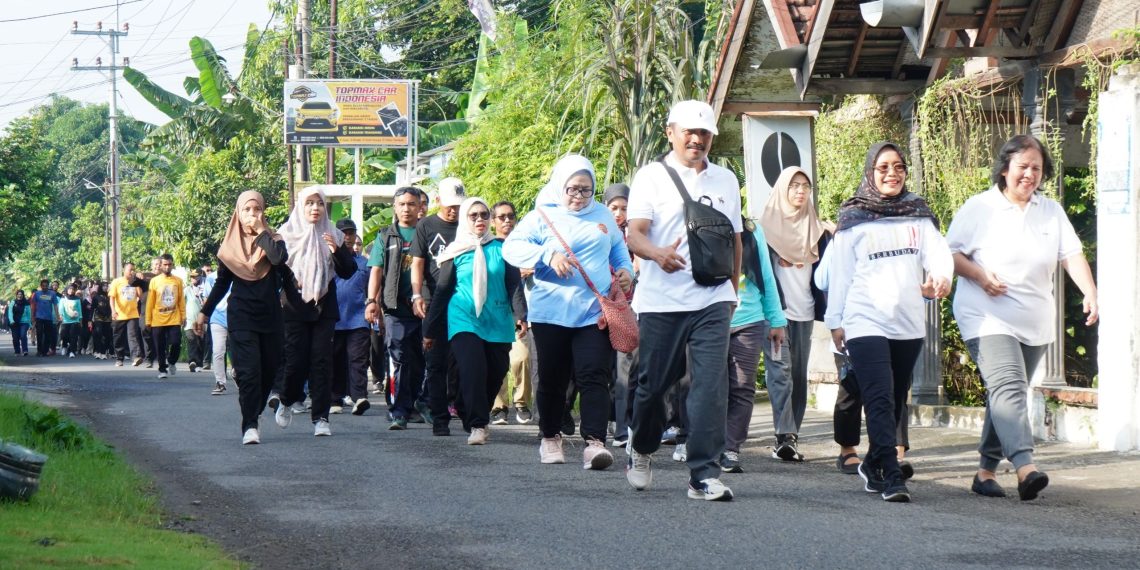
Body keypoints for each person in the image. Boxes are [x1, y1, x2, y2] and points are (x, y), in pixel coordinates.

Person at [946, 134, 1098, 501]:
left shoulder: (1050, 211)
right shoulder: (979, 208)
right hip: (985, 315)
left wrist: (1091, 292)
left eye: (1037, 168)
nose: (1029, 175)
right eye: (1022, 167)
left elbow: (1072, 255)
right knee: (1009, 387)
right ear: (1004, 170)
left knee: (1005, 394)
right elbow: (949, 255)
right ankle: (1025, 466)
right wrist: (981, 276)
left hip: (1034, 321)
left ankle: (985, 472)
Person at [623, 100, 741, 501]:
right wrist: (657, 254)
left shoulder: (726, 180)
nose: (697, 139)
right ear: (670, 132)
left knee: (710, 385)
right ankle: (640, 446)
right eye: (689, 131)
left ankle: (703, 475)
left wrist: (733, 292)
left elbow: (735, 237)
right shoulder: (651, 177)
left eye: (704, 132)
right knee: (652, 387)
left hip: (712, 299)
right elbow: (634, 234)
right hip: (661, 300)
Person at [824, 141, 953, 503]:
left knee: (894, 399)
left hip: (907, 323)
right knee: (879, 398)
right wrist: (836, 321)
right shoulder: (853, 218)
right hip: (864, 320)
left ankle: (872, 462)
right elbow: (841, 276)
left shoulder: (918, 213)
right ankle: (892, 474)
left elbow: (939, 254)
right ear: (870, 172)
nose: (892, 173)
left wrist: (941, 278)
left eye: (898, 167)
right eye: (883, 167)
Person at [503, 154, 634, 469]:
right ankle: (550, 437)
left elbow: (617, 248)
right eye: (572, 189)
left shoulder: (602, 214)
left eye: (586, 190)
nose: (578, 196)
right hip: (551, 314)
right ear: (559, 186)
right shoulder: (541, 217)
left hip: (594, 311)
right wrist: (547, 254)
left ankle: (595, 443)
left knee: (594, 375)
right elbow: (511, 249)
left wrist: (626, 270)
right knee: (552, 379)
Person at [425, 198, 525, 445]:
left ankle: (466, 407)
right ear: (465, 220)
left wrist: (521, 314)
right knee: (473, 370)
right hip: (463, 318)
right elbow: (443, 290)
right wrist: (429, 328)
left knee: (495, 373)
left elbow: (513, 285)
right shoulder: (455, 252)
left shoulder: (502, 248)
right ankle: (479, 425)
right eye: (473, 216)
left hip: (497, 319)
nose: (479, 219)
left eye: (483, 215)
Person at [195, 191, 288, 444]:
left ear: (263, 212)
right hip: (241, 316)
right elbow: (222, 283)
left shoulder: (275, 240)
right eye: (246, 210)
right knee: (248, 372)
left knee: (268, 370)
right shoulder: (229, 248)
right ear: (238, 213)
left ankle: (254, 410)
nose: (252, 215)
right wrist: (204, 312)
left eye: (257, 210)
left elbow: (279, 260)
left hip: (270, 317)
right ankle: (249, 425)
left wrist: (261, 233)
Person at [759, 166, 833, 461]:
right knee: (780, 372)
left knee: (799, 376)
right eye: (794, 186)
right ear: (782, 190)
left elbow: (827, 274)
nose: (800, 191)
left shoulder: (818, 231)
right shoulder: (764, 229)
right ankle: (783, 434)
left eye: (805, 186)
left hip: (805, 312)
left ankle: (792, 436)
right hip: (775, 314)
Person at [272, 187, 356, 437]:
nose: (315, 208)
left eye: (319, 203)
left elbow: (347, 271)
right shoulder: (285, 235)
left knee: (321, 361)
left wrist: (336, 250)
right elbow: (276, 269)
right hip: (294, 306)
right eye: (309, 203)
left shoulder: (335, 235)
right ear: (300, 206)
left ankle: (321, 417)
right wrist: (289, 281)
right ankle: (287, 400)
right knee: (296, 360)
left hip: (324, 306)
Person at [722, 217, 787, 473]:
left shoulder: (751, 229)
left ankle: (730, 449)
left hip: (749, 318)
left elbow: (766, 276)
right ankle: (705, 444)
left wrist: (776, 319)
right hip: (710, 317)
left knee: (742, 386)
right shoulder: (693, 221)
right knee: (708, 386)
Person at [367, 187, 427, 430]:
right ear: (394, 207)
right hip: (395, 309)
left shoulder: (427, 233)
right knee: (398, 359)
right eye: (401, 204)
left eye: (411, 204)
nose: (406, 208)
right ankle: (399, 411)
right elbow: (376, 270)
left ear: (420, 207)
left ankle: (416, 406)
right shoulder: (386, 236)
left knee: (422, 360)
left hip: (424, 307)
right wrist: (372, 301)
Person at [411, 177, 466, 436]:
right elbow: (418, 262)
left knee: (464, 361)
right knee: (435, 362)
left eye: (458, 205)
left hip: (465, 300)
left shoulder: (468, 224)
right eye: (450, 205)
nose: (454, 210)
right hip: (434, 300)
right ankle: (439, 417)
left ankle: (466, 411)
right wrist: (416, 294)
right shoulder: (426, 225)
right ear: (438, 202)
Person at [488, 200, 535, 425]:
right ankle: (498, 406)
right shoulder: (489, 246)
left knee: (521, 359)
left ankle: (522, 402)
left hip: (523, 312)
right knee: (497, 361)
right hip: (495, 312)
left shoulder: (525, 244)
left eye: (511, 216)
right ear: (492, 221)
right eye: (501, 217)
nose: (507, 221)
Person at [603, 183, 637, 448]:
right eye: (613, 207)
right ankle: (613, 423)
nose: (618, 213)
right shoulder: (599, 233)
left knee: (626, 368)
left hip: (631, 307)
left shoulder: (636, 235)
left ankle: (624, 427)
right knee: (606, 369)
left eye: (624, 208)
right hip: (602, 307)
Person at [331, 219, 372, 416]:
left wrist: (374, 305)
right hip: (334, 319)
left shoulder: (364, 263)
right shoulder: (328, 259)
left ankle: (359, 397)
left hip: (358, 318)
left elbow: (372, 287)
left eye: (351, 233)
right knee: (335, 359)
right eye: (344, 233)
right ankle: (335, 398)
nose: (348, 237)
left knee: (358, 359)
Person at [145, 254, 186, 379]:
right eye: (165, 265)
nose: (167, 267)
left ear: (172, 265)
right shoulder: (154, 281)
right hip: (158, 318)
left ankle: (172, 361)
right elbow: (150, 302)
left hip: (174, 317)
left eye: (169, 264)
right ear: (161, 265)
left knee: (176, 342)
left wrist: (183, 316)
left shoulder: (178, 280)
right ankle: (162, 369)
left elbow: (181, 300)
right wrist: (148, 320)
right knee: (160, 346)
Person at [109, 265, 144, 366]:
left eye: (133, 270)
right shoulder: (117, 281)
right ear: (124, 270)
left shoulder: (135, 282)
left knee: (133, 336)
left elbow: (140, 296)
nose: (132, 271)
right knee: (118, 337)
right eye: (130, 270)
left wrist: (139, 283)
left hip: (133, 314)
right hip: (119, 315)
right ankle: (119, 358)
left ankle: (136, 357)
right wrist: (113, 311)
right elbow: (112, 298)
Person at [184, 270, 208, 372]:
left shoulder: (205, 289)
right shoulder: (187, 290)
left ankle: (199, 364)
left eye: (195, 277)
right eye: (191, 277)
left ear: (200, 277)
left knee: (200, 342)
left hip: (202, 321)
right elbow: (180, 301)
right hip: (190, 320)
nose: (193, 279)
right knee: (191, 339)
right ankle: (192, 361)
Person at [30, 280, 60, 357]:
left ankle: (45, 351)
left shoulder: (52, 294)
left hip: (49, 318)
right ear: (41, 286)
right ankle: (39, 351)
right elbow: (33, 306)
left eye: (46, 285)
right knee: (39, 334)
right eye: (43, 285)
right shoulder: (36, 294)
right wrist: (32, 316)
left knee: (47, 335)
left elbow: (55, 306)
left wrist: (57, 317)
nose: (44, 287)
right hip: (39, 317)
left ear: (48, 286)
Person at [59, 284, 83, 358]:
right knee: (64, 335)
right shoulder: (63, 298)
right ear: (67, 289)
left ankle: (72, 351)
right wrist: (61, 316)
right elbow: (61, 309)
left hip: (74, 320)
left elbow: (79, 309)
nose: (71, 290)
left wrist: (80, 320)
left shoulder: (77, 299)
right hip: (65, 320)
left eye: (73, 289)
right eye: (70, 289)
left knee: (73, 336)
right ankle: (64, 346)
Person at [91, 282, 113, 360]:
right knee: (98, 333)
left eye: (106, 286)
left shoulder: (110, 296)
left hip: (107, 318)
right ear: (100, 287)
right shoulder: (96, 297)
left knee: (107, 335)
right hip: (98, 318)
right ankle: (98, 351)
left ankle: (103, 352)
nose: (105, 287)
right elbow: (92, 308)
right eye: (103, 286)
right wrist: (90, 320)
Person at [8, 290, 31, 356]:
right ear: (16, 295)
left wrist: (30, 323)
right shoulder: (13, 302)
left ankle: (25, 350)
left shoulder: (26, 303)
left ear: (23, 295)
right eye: (18, 294)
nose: (20, 295)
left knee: (23, 335)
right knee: (15, 337)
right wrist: (11, 320)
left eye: (21, 294)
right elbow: (10, 312)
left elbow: (29, 314)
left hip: (24, 322)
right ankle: (17, 351)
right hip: (14, 322)